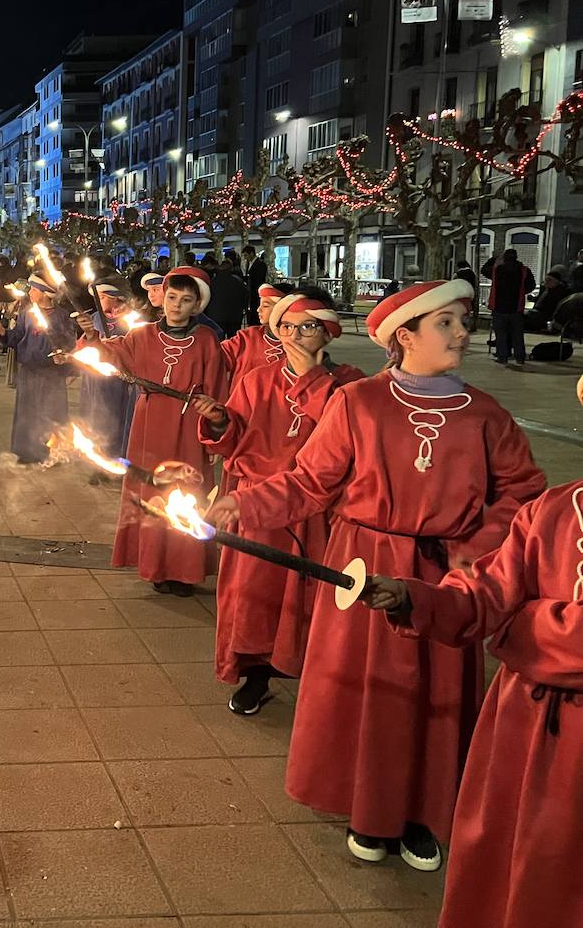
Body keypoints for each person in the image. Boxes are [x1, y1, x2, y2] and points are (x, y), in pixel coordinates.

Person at [208, 279, 545, 872]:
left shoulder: (486, 414)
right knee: (367, 690)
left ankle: (421, 811)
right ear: (404, 336)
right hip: (361, 563)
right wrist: (244, 504)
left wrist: (473, 551)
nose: (462, 333)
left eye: (462, 321)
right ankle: (366, 807)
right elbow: (311, 482)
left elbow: (523, 492)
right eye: (445, 323)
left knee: (432, 694)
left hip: (444, 577)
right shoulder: (359, 402)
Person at [362, 396, 583, 927]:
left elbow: (513, 617)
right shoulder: (553, 510)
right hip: (524, 729)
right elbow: (487, 591)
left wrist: (522, 629)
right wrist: (417, 598)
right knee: (509, 865)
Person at [192, 288, 363, 714]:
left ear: (328, 332)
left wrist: (311, 379)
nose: (294, 336)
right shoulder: (257, 380)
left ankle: (318, 677)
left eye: (307, 327)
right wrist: (220, 422)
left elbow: (349, 440)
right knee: (254, 595)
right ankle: (257, 675)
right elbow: (234, 440)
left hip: (315, 512)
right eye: (286, 327)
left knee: (312, 596)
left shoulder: (350, 386)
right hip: (256, 505)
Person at [77, 266, 226, 597]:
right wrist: (92, 337)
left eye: (185, 300)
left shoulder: (206, 340)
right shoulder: (141, 335)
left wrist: (215, 431)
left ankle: (185, 569)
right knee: (152, 494)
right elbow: (111, 356)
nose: (176, 306)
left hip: (189, 426)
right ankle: (155, 565)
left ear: (196, 304)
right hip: (149, 424)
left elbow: (216, 390)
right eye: (172, 298)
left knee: (188, 490)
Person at [0, 274, 73, 464]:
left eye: (34, 289)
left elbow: (69, 342)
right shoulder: (27, 313)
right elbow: (17, 336)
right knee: (28, 412)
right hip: (29, 371)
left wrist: (63, 355)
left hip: (51, 373)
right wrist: (2, 331)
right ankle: (27, 451)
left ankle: (52, 453)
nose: (30, 293)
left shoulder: (61, 316)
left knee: (51, 412)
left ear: (45, 293)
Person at [77, 278, 135, 483]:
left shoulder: (129, 321)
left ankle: (117, 464)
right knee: (95, 420)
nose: (98, 301)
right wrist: (86, 339)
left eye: (102, 297)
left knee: (117, 421)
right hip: (94, 380)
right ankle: (98, 464)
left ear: (116, 298)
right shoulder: (93, 318)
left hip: (117, 383)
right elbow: (82, 346)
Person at [221, 282, 294, 382]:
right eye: (260, 305)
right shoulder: (246, 338)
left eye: (265, 305)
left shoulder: (296, 342)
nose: (258, 310)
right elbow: (216, 357)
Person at [488, 248, 536, 367]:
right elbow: (531, 285)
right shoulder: (524, 270)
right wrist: (521, 292)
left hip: (499, 307)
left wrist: (494, 258)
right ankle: (520, 357)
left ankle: (502, 357)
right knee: (517, 335)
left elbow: (484, 270)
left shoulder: (497, 269)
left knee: (501, 334)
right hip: (516, 307)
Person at [206, 259, 249, 337]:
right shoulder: (238, 281)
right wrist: (244, 309)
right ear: (230, 270)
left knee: (218, 339)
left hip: (216, 316)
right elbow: (245, 296)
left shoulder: (212, 282)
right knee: (233, 340)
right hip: (235, 316)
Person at [241, 244, 268, 325]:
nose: (245, 258)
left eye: (246, 255)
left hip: (256, 293)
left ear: (251, 253)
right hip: (251, 293)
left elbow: (259, 279)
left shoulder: (260, 264)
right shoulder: (249, 264)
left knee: (255, 313)